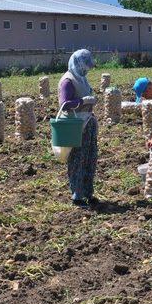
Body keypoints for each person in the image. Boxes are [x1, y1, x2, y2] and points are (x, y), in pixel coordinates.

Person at [58, 49, 98, 207]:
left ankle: (88, 192)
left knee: (90, 158)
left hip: (87, 123)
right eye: (85, 66)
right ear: (77, 63)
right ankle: (77, 195)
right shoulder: (68, 80)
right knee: (77, 159)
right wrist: (82, 101)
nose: (86, 69)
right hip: (75, 125)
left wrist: (91, 100)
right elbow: (65, 104)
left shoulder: (82, 78)